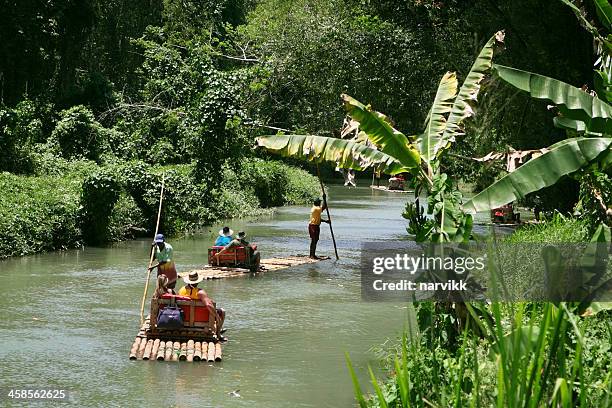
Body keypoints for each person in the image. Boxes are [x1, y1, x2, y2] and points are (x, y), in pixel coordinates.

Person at [179, 271, 226, 339]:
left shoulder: (181, 290)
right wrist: (217, 317)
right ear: (198, 281)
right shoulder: (200, 292)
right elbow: (209, 305)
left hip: (185, 318)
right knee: (222, 311)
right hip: (200, 319)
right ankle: (218, 333)